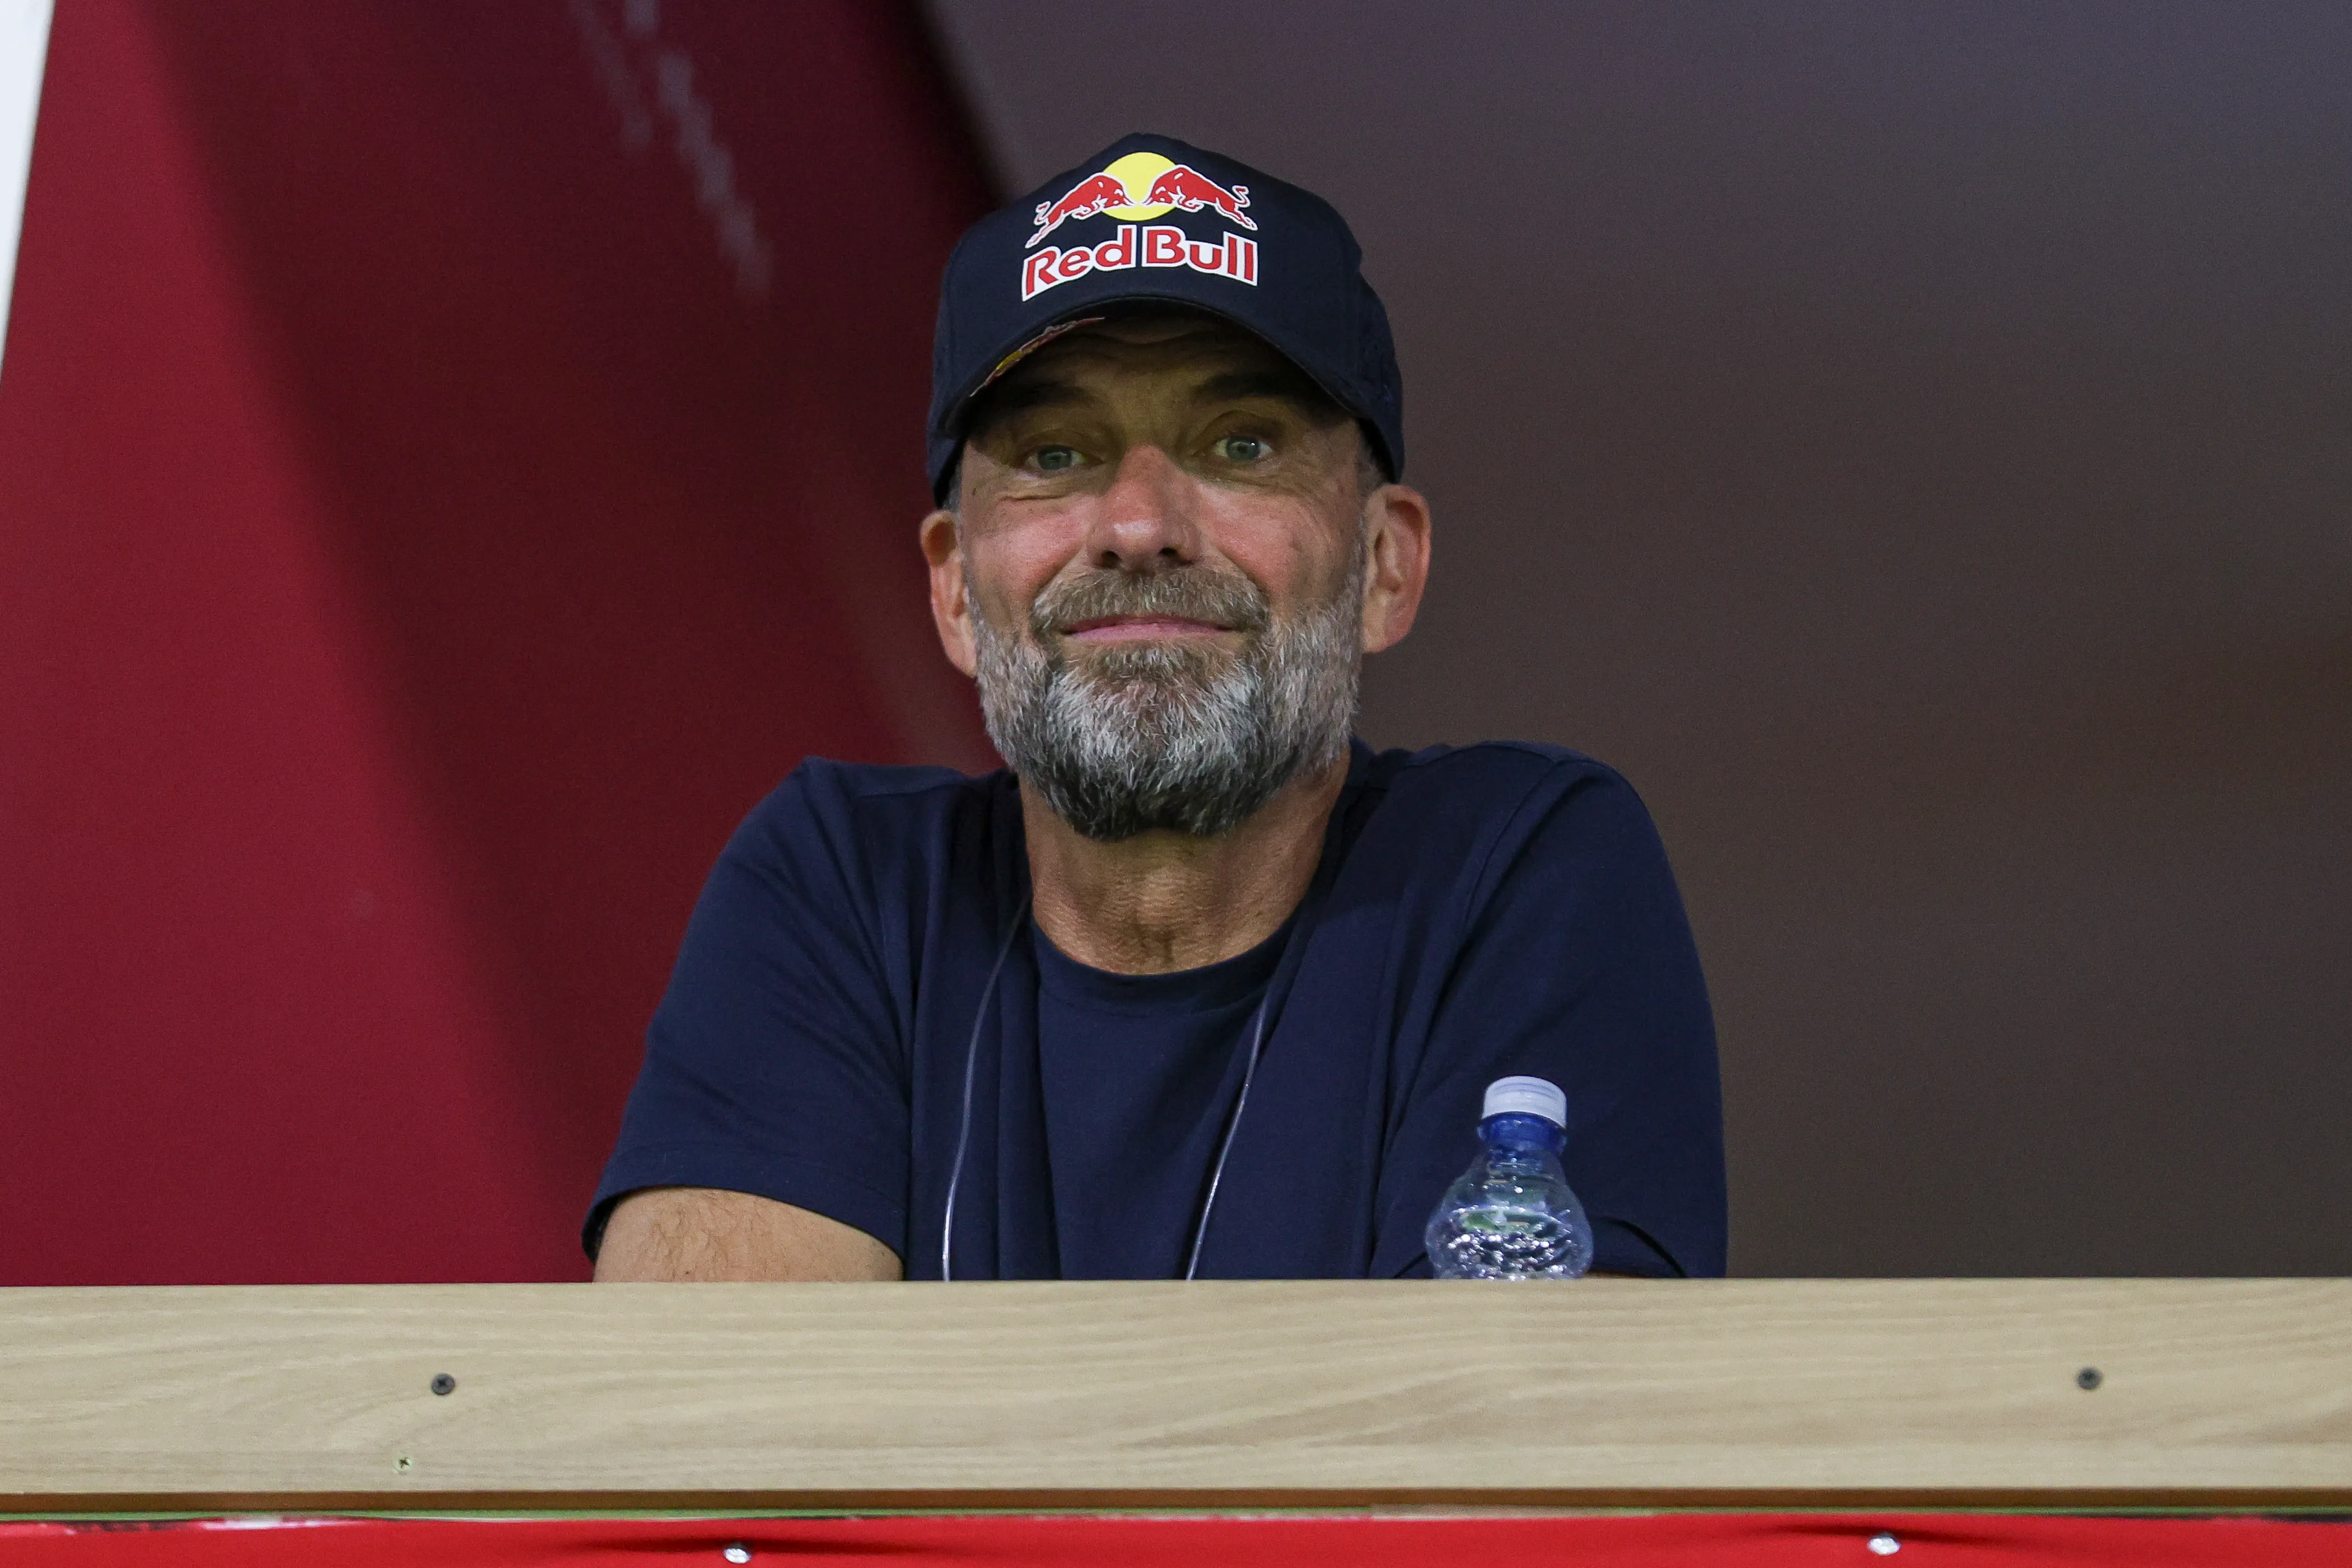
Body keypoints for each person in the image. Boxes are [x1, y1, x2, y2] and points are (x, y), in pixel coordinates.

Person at [587, 133, 1725, 1282]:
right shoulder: (846, 885)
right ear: (954, 590)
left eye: (1240, 444)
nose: (1137, 525)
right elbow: (709, 1391)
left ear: (1385, 564)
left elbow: (1517, 1400)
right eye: (1055, 453)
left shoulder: (1514, 866)